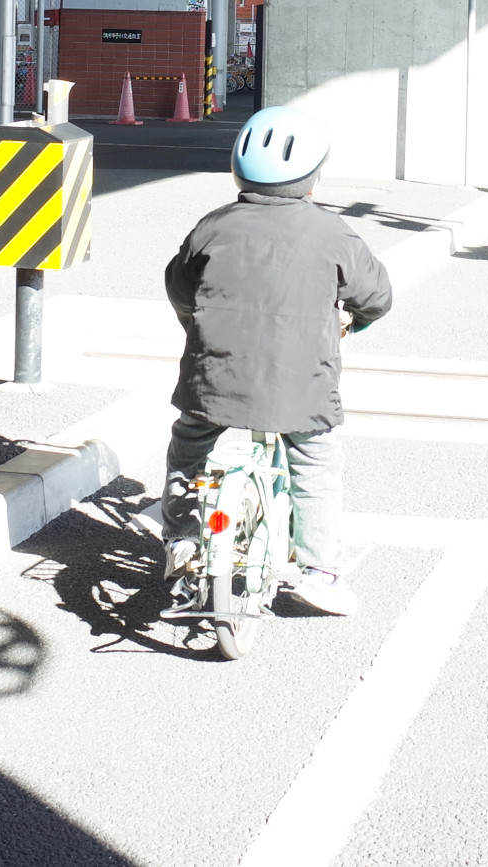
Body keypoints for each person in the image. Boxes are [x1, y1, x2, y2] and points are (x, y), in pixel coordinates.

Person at [161, 105, 392, 616]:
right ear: (313, 178)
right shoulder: (333, 233)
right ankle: (319, 572)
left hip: (212, 377)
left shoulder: (211, 226)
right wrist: (355, 320)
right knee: (315, 461)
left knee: (190, 445)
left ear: (236, 170)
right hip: (300, 388)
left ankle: (180, 539)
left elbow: (178, 287)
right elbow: (375, 298)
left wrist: (195, 326)